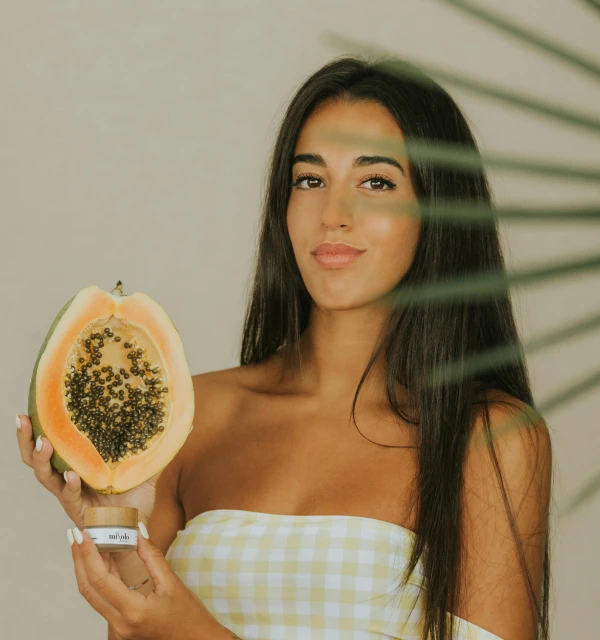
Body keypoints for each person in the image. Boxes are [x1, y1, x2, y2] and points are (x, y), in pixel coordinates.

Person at [17, 54, 552, 640]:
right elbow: (141, 621)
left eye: (376, 182)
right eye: (310, 180)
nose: (334, 215)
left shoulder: (490, 437)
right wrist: (114, 534)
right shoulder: (194, 417)